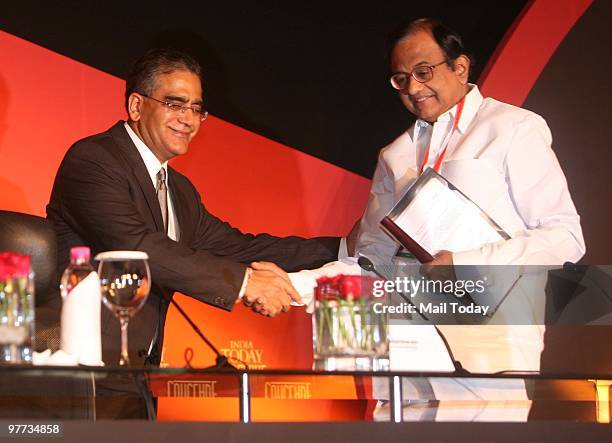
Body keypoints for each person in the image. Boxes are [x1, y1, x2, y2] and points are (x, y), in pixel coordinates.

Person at [289, 18, 585, 421]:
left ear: (459, 67)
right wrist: (294, 285)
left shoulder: (513, 129)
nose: (412, 88)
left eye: (423, 72)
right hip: (402, 352)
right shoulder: (393, 156)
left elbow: (565, 237)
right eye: (400, 78)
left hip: (487, 352)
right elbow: (370, 262)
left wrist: (463, 265)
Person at [45, 48, 341, 367]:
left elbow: (238, 248)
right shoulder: (94, 160)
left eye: (196, 109)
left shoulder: (180, 190)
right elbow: (136, 248)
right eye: (174, 104)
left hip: (139, 369)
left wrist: (343, 249)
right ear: (136, 105)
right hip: (78, 365)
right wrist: (244, 283)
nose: (188, 120)